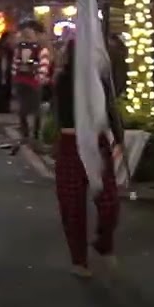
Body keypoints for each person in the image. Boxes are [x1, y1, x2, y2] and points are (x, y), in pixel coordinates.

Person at [52, 39, 122, 278]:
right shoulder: (63, 79)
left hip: (96, 141)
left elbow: (110, 108)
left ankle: (103, 243)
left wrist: (119, 137)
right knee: (72, 205)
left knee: (109, 201)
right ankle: (78, 259)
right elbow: (61, 109)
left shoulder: (99, 79)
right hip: (72, 143)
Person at [9, 20, 49, 152]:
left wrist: (15, 79)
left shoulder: (22, 48)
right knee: (31, 110)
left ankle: (28, 134)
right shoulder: (39, 49)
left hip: (25, 82)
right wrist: (40, 79)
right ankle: (32, 136)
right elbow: (43, 65)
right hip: (30, 82)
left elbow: (15, 65)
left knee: (26, 109)